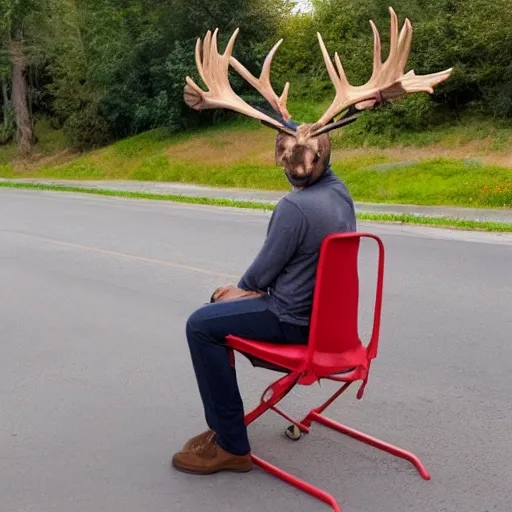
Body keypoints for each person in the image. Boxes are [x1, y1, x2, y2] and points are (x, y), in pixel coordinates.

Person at [171, 132, 357, 475]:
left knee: (201, 323)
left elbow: (258, 278)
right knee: (219, 314)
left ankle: (230, 444)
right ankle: (226, 428)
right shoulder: (340, 194)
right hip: (331, 329)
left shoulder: (294, 207)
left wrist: (238, 291)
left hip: (292, 323)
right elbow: (304, 137)